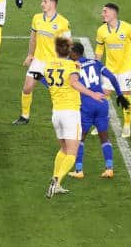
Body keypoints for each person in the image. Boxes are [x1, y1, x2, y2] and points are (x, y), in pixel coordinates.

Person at [39, 37, 106, 199]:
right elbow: (75, 83)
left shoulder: (48, 65)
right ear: (68, 51)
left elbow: (44, 80)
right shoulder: (72, 66)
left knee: (63, 149)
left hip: (57, 114)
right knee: (72, 153)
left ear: (56, 50)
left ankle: (57, 183)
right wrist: (93, 94)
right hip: (70, 113)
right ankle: (56, 181)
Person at [67, 42, 130, 179]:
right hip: (101, 103)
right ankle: (109, 169)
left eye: (70, 51)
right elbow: (112, 77)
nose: (68, 53)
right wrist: (119, 95)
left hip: (86, 105)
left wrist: (41, 78)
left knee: (80, 138)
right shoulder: (95, 62)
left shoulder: (72, 65)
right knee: (104, 137)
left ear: (75, 53)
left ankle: (79, 170)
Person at [12, 0, 71, 125]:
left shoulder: (63, 22)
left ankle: (64, 117)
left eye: (44, 1)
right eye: (42, 1)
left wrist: (65, 63)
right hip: (38, 62)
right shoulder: (37, 18)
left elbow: (68, 45)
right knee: (27, 88)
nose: (42, 4)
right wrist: (30, 55)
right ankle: (24, 116)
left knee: (58, 94)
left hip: (54, 63)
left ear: (52, 4)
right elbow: (33, 38)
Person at [95, 3, 131, 138]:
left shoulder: (127, 28)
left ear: (113, 13)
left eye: (105, 12)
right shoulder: (101, 30)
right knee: (103, 95)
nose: (102, 14)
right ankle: (100, 124)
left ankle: (127, 125)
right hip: (110, 69)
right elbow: (99, 49)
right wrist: (96, 65)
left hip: (126, 69)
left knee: (125, 96)